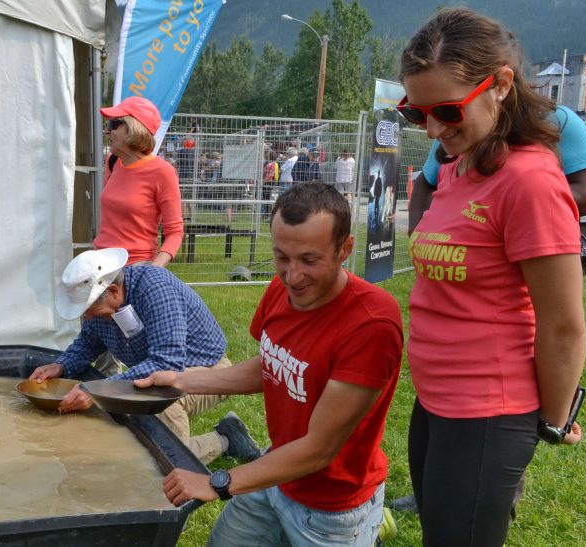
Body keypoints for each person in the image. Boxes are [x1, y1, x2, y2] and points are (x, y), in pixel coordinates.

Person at [397, 9, 585, 545]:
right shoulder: (459, 166)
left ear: (501, 84)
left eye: (448, 110)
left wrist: (550, 419)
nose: (433, 129)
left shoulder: (529, 181)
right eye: (417, 113)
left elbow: (564, 324)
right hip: (435, 402)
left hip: (487, 412)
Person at [134, 182, 403, 546]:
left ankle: (369, 527)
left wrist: (219, 482)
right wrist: (183, 381)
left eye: (309, 260)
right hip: (275, 472)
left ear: (345, 249)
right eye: (281, 257)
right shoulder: (283, 289)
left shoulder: (372, 324)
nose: (293, 276)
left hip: (332, 508)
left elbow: (319, 449)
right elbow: (272, 366)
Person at [29, 248, 261, 466]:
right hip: (161, 371)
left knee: (159, 404)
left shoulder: (155, 288)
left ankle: (221, 441)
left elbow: (166, 363)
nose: (88, 318)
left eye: (91, 311)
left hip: (210, 370)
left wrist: (99, 391)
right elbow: (88, 342)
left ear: (113, 291)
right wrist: (60, 366)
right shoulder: (101, 311)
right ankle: (159, 455)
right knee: (140, 414)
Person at [408, 105, 586, 235]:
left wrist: (493, 212)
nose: (432, 130)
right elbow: (426, 183)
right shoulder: (452, 129)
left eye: (449, 108)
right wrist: (419, 240)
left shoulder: (558, 119)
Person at [97, 96, 183, 267]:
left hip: (136, 268)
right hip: (101, 264)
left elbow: (174, 232)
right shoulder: (112, 162)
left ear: (133, 129)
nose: (107, 131)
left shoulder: (163, 172)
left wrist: (152, 271)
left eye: (113, 125)